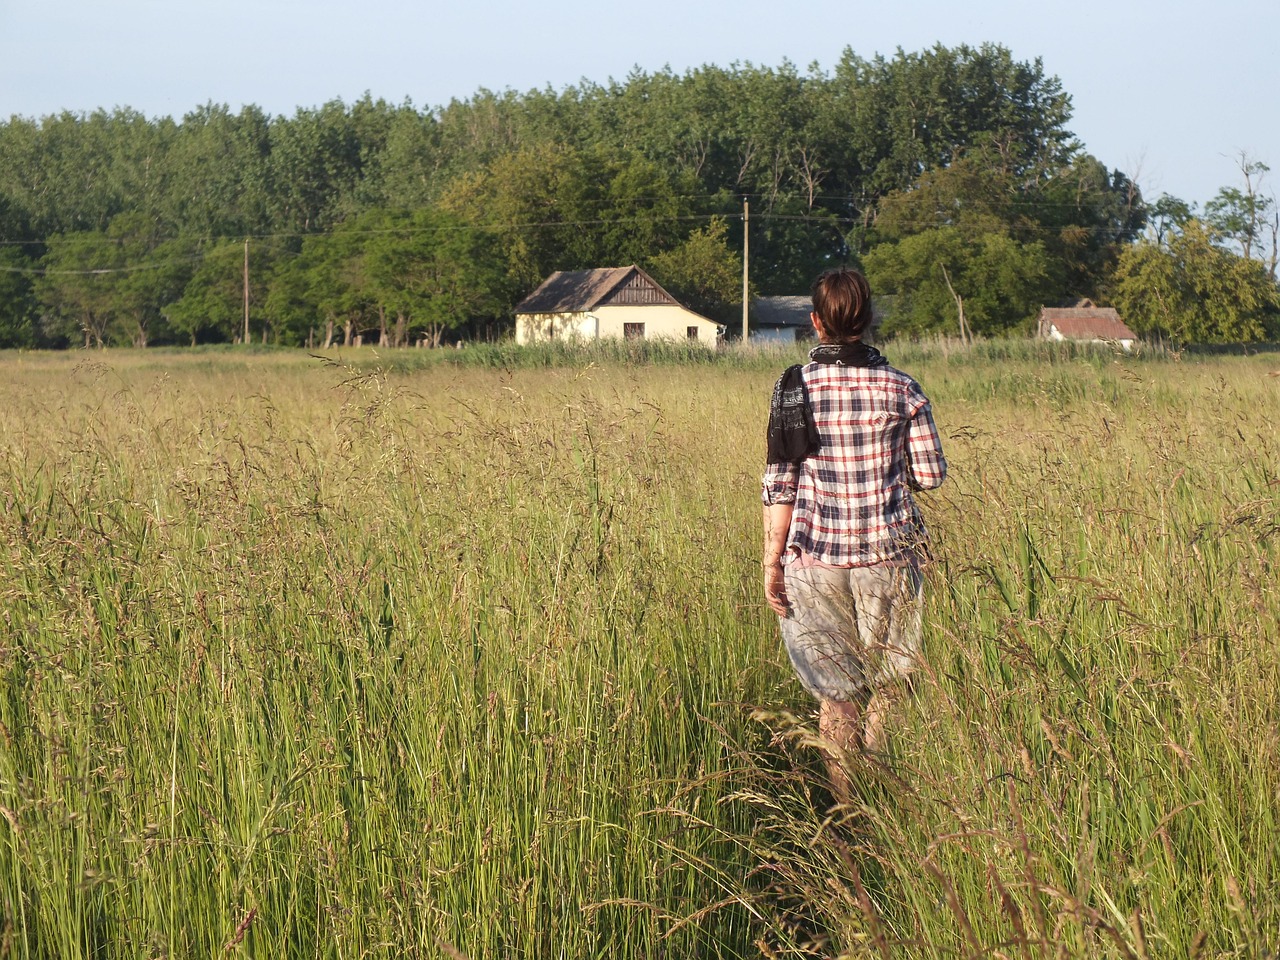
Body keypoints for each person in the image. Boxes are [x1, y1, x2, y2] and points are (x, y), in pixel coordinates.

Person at [761, 267, 946, 801]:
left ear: (815, 322)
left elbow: (781, 481)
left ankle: (847, 809)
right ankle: (881, 786)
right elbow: (931, 475)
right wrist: (889, 471)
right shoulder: (902, 388)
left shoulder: (793, 388)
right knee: (891, 683)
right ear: (868, 320)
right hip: (889, 555)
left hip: (813, 562)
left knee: (835, 701)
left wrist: (772, 561)